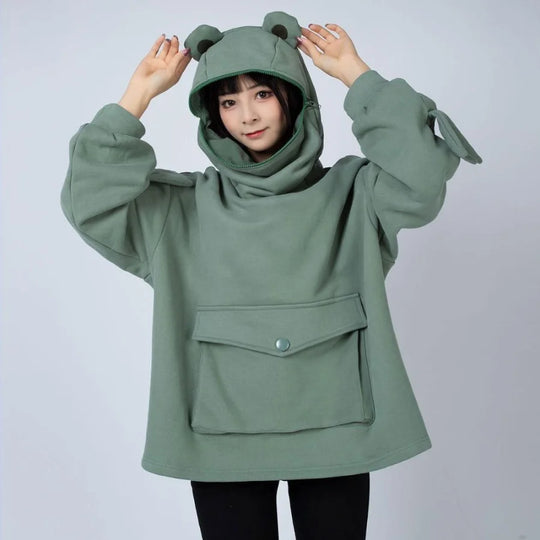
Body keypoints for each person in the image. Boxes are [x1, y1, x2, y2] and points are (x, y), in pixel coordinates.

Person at [60, 11, 482, 539]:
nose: (247, 115)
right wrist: (137, 96)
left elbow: (422, 172)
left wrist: (356, 74)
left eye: (262, 93)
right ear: (213, 116)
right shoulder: (181, 209)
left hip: (337, 427)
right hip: (222, 435)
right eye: (228, 102)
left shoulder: (356, 194)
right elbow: (89, 202)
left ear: (294, 98)